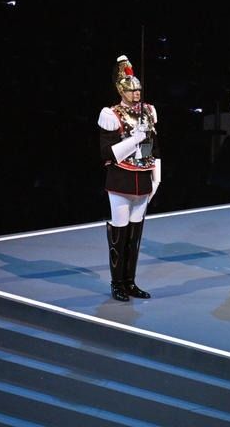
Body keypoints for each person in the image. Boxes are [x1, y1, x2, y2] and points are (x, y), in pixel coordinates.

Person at [97, 55, 160, 301]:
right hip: (121, 180)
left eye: (139, 90)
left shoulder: (148, 111)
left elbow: (155, 147)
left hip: (143, 178)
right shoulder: (111, 114)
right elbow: (107, 153)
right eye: (132, 90)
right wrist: (134, 139)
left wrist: (157, 178)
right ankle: (117, 283)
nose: (136, 94)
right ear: (121, 90)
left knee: (135, 234)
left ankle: (130, 281)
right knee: (120, 233)